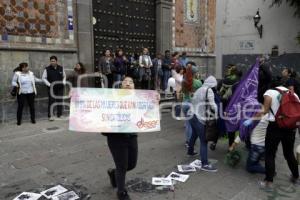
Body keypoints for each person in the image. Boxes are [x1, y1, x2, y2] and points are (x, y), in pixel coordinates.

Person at [251, 81, 299, 188]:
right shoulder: (294, 94)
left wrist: (252, 119)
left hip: (275, 127)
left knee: (270, 154)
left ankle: (269, 181)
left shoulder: (270, 92)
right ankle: (295, 176)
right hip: (290, 128)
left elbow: (265, 110)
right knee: (289, 153)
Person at [105, 77, 138, 200]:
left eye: (131, 82)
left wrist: (155, 99)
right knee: (122, 166)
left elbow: (149, 111)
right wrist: (76, 97)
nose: (128, 84)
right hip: (116, 137)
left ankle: (113, 173)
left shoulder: (139, 99)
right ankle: (121, 192)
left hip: (132, 135)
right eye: (125, 82)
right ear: (121, 85)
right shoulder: (113, 97)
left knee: (132, 164)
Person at [187, 76, 218, 172]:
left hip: (191, 114)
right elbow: (213, 106)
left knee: (194, 134)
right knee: (204, 141)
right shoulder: (209, 90)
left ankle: (190, 151)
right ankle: (204, 164)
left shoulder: (200, 89)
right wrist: (217, 116)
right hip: (198, 117)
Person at [181, 62, 202, 147]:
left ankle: (188, 141)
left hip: (185, 103)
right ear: (194, 73)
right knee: (195, 124)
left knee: (187, 124)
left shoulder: (184, 81)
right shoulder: (198, 82)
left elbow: (183, 92)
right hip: (193, 105)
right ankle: (191, 141)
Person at [42, 56, 66, 121]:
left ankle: (59, 114)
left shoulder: (61, 68)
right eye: (51, 61)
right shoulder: (47, 69)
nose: (52, 62)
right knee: (51, 102)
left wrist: (63, 82)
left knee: (59, 101)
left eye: (54, 61)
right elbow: (43, 78)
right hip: (51, 88)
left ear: (56, 61)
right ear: (50, 61)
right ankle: (51, 116)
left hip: (60, 88)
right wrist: (49, 85)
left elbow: (64, 76)